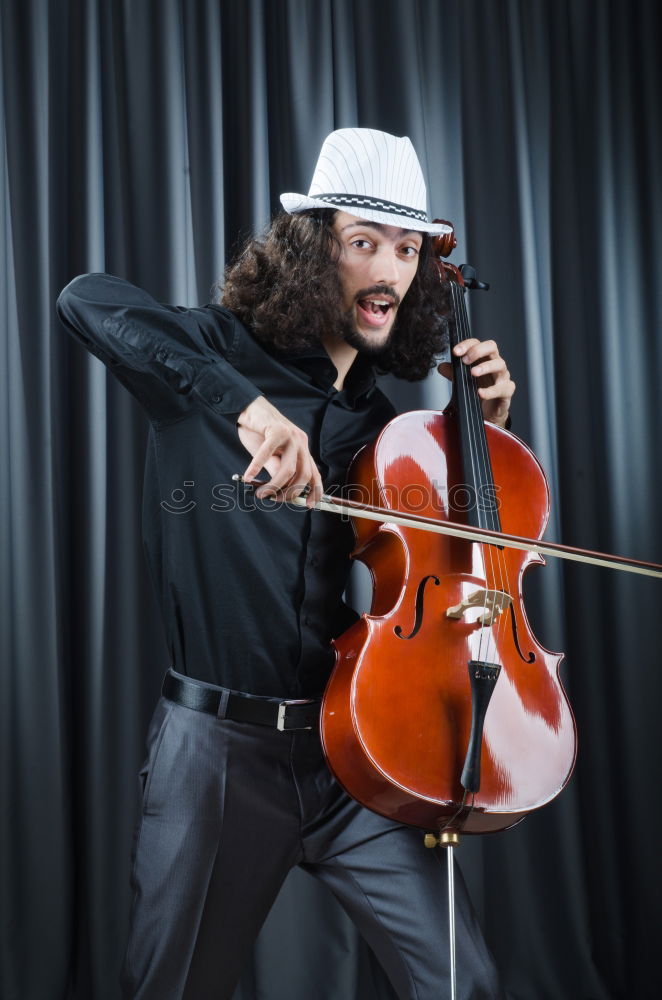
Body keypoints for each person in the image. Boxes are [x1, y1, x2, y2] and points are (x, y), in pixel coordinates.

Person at [57, 128, 514, 1000]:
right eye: (363, 242)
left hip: (351, 749)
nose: (390, 269)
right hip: (215, 757)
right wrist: (249, 409)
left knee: (463, 980)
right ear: (313, 251)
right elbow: (88, 299)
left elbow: (444, 568)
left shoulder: (388, 428)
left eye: (408, 249)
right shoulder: (213, 351)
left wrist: (477, 436)